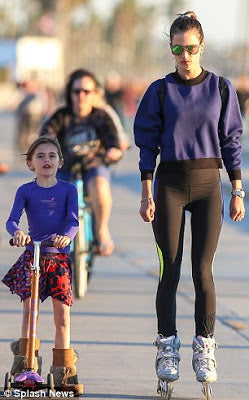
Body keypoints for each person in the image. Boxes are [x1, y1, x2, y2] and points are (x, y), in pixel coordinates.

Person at [134, 11, 245, 390]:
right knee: (170, 270)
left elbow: (231, 140)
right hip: (170, 187)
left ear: (202, 47)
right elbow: (147, 144)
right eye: (178, 48)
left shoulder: (221, 88)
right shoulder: (159, 91)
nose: (185, 55)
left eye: (191, 48)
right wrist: (146, 190)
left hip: (209, 187)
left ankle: (205, 347)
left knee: (202, 272)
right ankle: (167, 347)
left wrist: (237, 189)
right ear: (171, 48)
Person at [2, 136, 83, 394]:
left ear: (60, 162)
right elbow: (12, 221)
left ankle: (63, 370)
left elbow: (73, 222)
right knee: (30, 312)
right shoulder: (25, 191)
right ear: (30, 163)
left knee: (62, 316)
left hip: (57, 257)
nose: (46, 160)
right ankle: (25, 364)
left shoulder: (68, 190)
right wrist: (18, 234)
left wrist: (65, 237)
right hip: (33, 256)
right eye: (40, 156)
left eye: (51, 156)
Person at [40, 69, 122, 257]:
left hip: (94, 165)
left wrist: (113, 150)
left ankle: (101, 231)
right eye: (77, 91)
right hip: (65, 166)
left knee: (100, 185)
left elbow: (112, 139)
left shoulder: (101, 116)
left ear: (95, 94)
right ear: (70, 94)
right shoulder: (61, 116)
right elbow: (46, 136)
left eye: (87, 91)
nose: (81, 96)